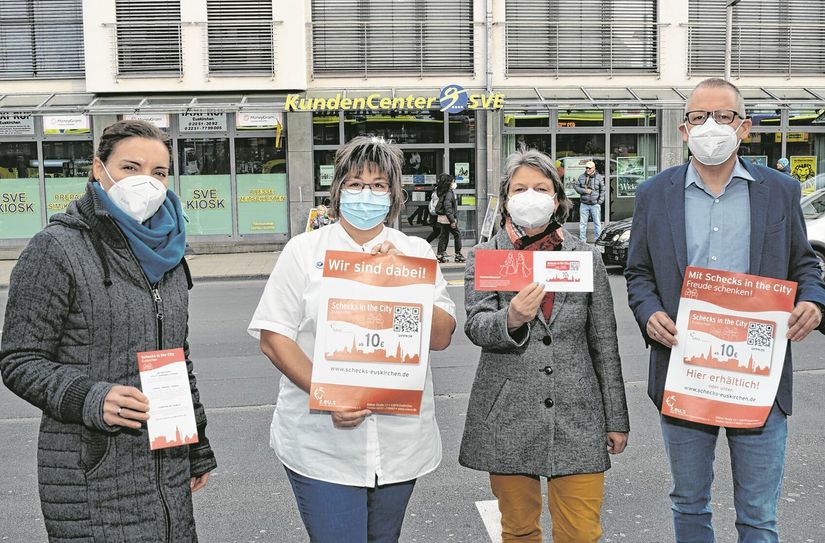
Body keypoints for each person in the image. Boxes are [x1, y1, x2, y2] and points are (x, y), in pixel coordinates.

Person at [625, 78, 825, 542]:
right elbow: (638, 273)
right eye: (699, 117)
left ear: (745, 128)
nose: (710, 126)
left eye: (724, 116)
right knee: (689, 503)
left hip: (759, 378)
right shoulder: (655, 194)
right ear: (683, 130)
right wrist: (649, 312)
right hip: (685, 370)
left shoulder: (780, 191)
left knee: (758, 513)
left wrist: (813, 300)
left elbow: (804, 264)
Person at [0, 120, 217, 542]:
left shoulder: (169, 253)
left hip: (165, 463)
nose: (146, 183)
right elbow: (19, 359)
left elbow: (175, 357)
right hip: (93, 469)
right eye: (131, 167)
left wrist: (195, 445)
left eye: (158, 173)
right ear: (99, 169)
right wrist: (91, 397)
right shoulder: (56, 248)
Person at [248, 136, 457, 543]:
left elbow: (441, 336)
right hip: (321, 446)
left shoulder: (414, 252)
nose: (367, 194)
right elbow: (274, 338)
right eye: (356, 183)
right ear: (338, 189)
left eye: (379, 185)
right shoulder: (304, 251)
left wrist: (401, 280)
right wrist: (328, 394)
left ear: (394, 194)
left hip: (399, 444)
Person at [459, 149, 629, 543]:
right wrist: (511, 317)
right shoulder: (486, 257)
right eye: (520, 188)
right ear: (505, 199)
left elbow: (604, 341)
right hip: (508, 414)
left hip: (578, 415)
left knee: (582, 532)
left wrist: (616, 418)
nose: (530, 195)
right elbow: (476, 325)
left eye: (540, 187)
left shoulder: (584, 257)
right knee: (518, 530)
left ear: (556, 198)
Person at [434, 173, 465, 263]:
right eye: (453, 181)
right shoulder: (448, 193)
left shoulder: (443, 192)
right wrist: (452, 221)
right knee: (457, 234)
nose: (454, 183)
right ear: (449, 183)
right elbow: (448, 208)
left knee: (444, 236)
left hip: (443, 218)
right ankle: (458, 254)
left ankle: (440, 254)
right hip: (448, 219)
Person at [574, 160, 605, 242]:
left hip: (595, 204)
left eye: (589, 168)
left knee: (597, 223)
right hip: (584, 204)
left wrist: (599, 202)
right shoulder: (581, 177)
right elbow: (576, 187)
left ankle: (598, 241)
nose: (588, 169)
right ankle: (582, 241)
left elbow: (603, 190)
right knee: (583, 224)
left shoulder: (599, 177)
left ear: (594, 168)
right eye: (586, 168)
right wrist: (584, 191)